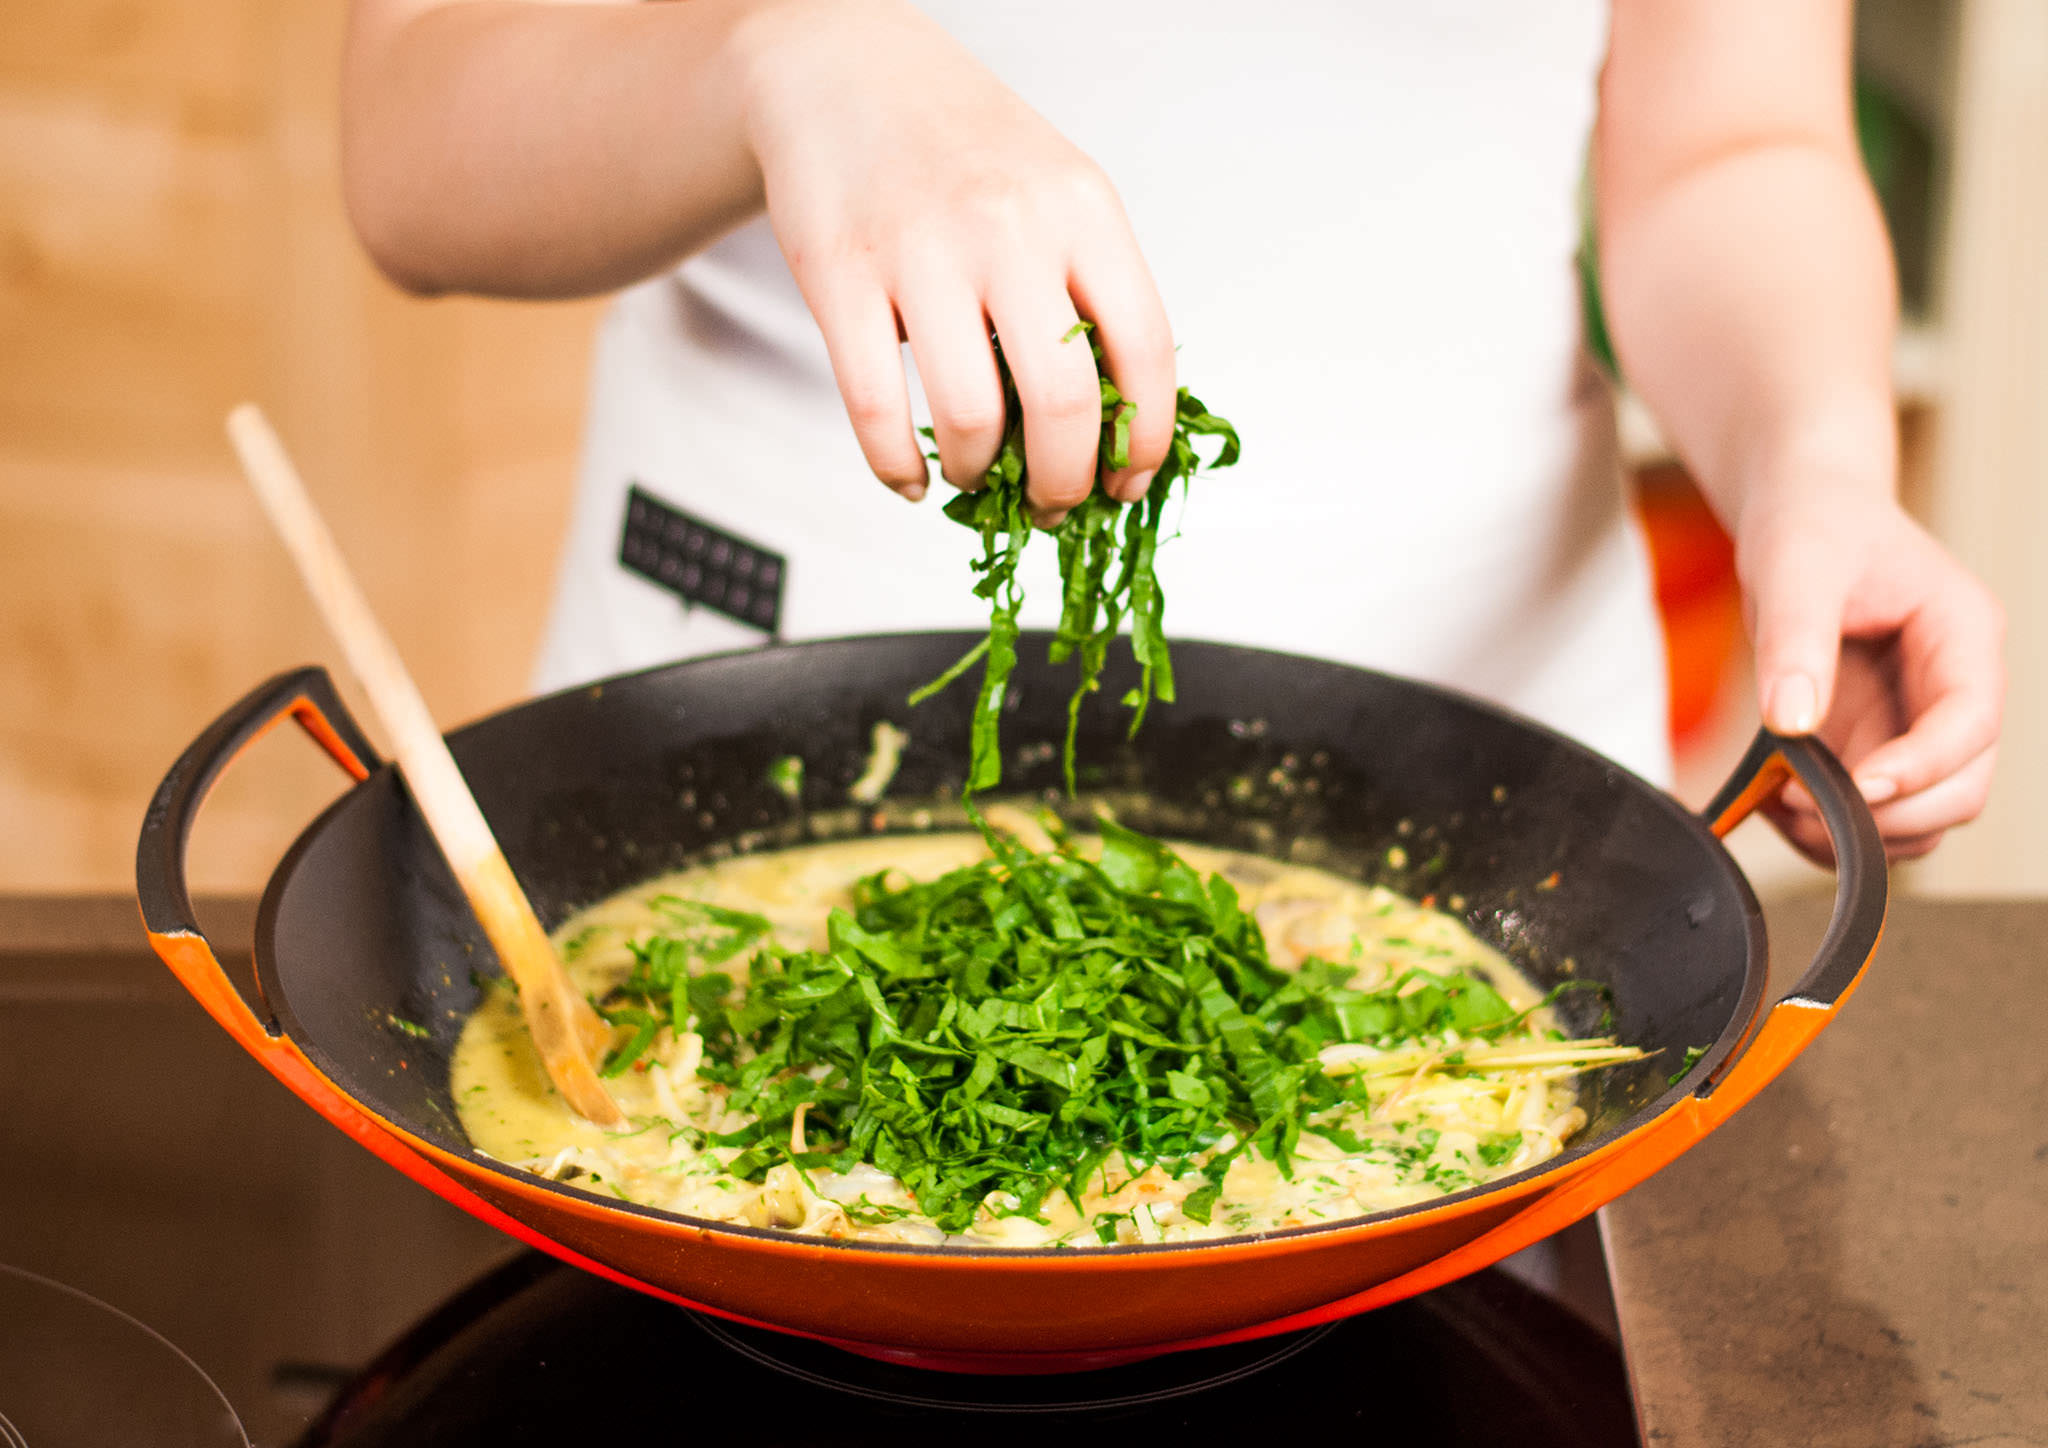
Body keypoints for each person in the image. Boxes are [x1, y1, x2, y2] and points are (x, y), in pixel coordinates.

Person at [339, 0, 2002, 864]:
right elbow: (414, 137)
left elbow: (1734, 142)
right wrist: (779, 59)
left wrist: (1816, 466)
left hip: (1481, 784)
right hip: (746, 748)